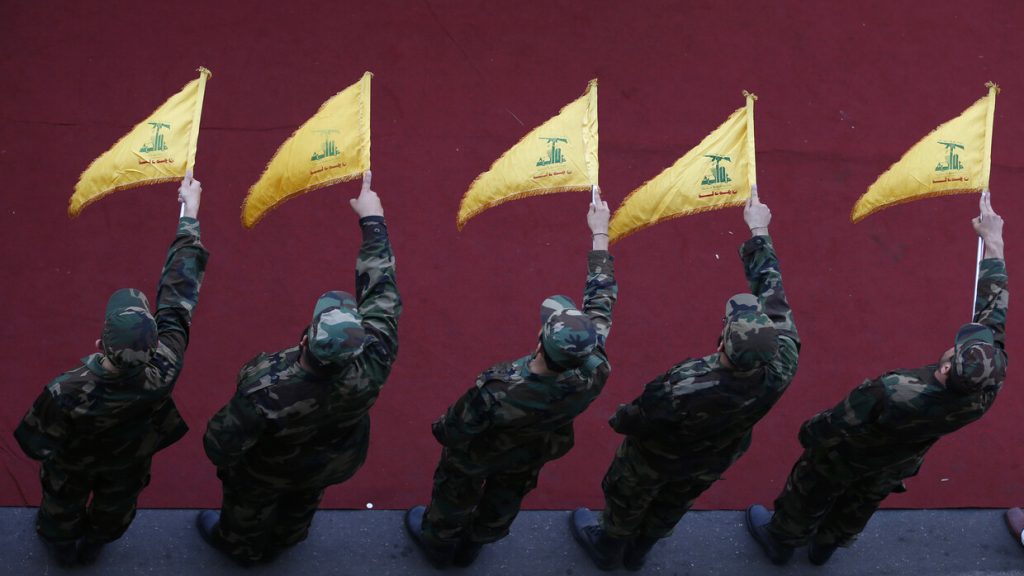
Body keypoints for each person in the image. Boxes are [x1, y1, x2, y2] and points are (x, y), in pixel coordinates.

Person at [746, 190, 1008, 567]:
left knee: (813, 487)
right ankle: (826, 547)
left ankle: (782, 540)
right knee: (865, 499)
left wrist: (811, 437)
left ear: (946, 369)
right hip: (900, 459)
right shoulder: (987, 382)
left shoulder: (895, 392)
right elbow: (992, 313)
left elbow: (840, 422)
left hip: (852, 453)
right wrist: (993, 241)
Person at [570, 186, 800, 571]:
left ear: (722, 342)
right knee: (673, 504)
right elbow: (774, 297)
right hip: (712, 458)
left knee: (628, 499)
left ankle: (609, 545)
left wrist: (620, 420)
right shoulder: (783, 364)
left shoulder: (685, 384)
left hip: (655, 459)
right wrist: (759, 230)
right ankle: (640, 551)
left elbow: (636, 417)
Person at [405, 188, 617, 568]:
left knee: (454, 496)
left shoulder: (499, 390)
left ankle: (439, 544)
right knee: (506, 498)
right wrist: (599, 234)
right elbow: (601, 303)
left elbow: (451, 430)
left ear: (540, 341)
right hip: (531, 452)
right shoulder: (594, 368)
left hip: (478, 457)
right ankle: (474, 546)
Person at [197, 171, 400, 566]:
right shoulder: (374, 361)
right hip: (329, 464)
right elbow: (382, 294)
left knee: (247, 510)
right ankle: (285, 540)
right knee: (303, 502)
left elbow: (219, 444)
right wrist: (372, 221)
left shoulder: (264, 387)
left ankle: (240, 546)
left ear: (306, 339)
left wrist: (231, 465)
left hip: (265, 472)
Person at [14, 173, 209, 567]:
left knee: (61, 504)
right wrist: (189, 214)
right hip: (128, 462)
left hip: (72, 465)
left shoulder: (65, 390)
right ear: (154, 344)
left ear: (99, 344)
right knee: (116, 506)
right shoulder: (164, 367)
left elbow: (34, 444)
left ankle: (62, 548)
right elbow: (178, 300)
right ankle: (95, 544)